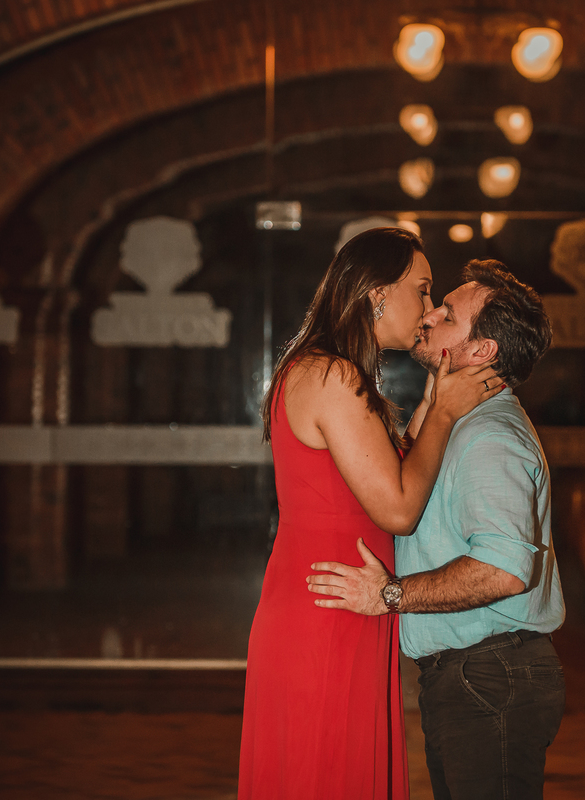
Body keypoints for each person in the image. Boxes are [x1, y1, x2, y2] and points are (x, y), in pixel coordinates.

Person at [238, 229, 502, 800]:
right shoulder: (333, 375)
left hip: (336, 599)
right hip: (330, 610)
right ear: (378, 292)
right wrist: (446, 416)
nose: (430, 311)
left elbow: (383, 470)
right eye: (424, 291)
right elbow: (399, 507)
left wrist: (436, 397)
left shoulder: (318, 368)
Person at [307, 259, 565, 800]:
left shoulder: (490, 437)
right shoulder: (460, 424)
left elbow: (502, 572)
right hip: (476, 673)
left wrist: (389, 596)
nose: (429, 315)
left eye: (448, 314)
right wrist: (433, 402)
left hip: (491, 673)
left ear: (481, 351)